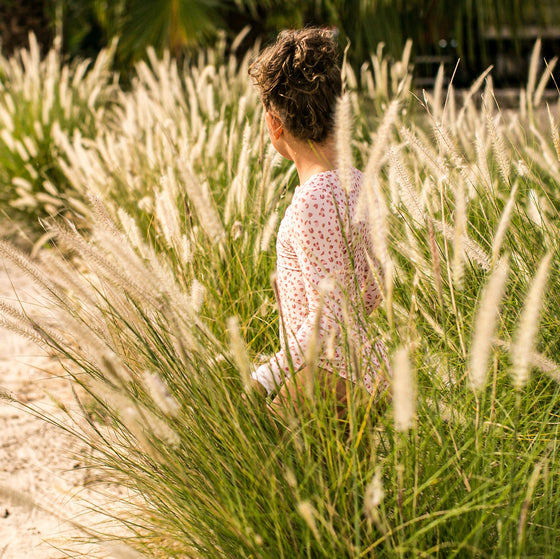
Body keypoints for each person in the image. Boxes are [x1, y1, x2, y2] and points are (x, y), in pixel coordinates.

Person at [248, 27, 389, 419]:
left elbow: (332, 315)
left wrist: (264, 377)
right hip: (369, 371)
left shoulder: (313, 199)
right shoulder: (362, 184)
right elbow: (373, 292)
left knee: (255, 453)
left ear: (275, 124)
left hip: (327, 377)